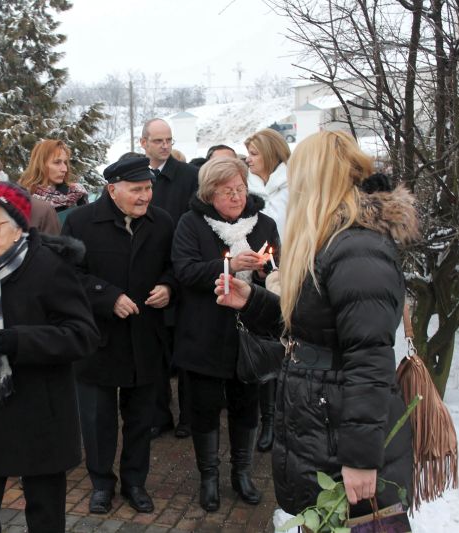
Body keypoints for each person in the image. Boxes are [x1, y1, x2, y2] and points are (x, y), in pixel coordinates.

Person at [215, 131, 416, 518]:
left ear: (316, 179)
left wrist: (360, 458)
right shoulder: (334, 240)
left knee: (356, 523)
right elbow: (315, 329)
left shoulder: (358, 249)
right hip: (324, 423)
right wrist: (253, 301)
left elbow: (369, 361)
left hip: (338, 431)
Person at [0, 182, 99, 533]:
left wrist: (22, 340)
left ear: (18, 228)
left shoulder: (48, 267)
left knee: (44, 516)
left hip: (37, 411)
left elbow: (83, 335)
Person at [62, 157, 176, 514]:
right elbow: (67, 275)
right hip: (98, 339)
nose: (145, 196)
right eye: (136, 189)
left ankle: (135, 482)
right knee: (98, 420)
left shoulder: (162, 222)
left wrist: (168, 287)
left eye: (148, 188)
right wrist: (107, 296)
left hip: (145, 337)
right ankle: (101, 484)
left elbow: (175, 266)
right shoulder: (80, 222)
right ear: (112, 189)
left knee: (141, 419)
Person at [172, 157, 279, 512]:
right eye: (226, 191)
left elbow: (277, 272)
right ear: (209, 193)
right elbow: (185, 271)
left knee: (246, 406)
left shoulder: (264, 224)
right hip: (204, 330)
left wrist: (264, 273)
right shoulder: (191, 223)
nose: (236, 197)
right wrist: (228, 266)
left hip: (250, 332)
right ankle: (208, 477)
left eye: (240, 189)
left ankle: (242, 473)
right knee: (204, 408)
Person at [140, 118, 199, 439]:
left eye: (169, 140)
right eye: (158, 141)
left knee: (185, 348)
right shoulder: (137, 175)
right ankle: (159, 414)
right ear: (144, 143)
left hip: (184, 271)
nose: (165, 146)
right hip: (150, 273)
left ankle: (189, 417)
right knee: (155, 349)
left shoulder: (189, 176)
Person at [244, 127, 291, 453]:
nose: (248, 159)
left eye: (254, 153)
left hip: (290, 274)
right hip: (256, 274)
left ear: (271, 154)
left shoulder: (295, 185)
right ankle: (268, 419)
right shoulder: (245, 187)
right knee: (264, 346)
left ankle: (286, 415)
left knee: (289, 344)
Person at [19, 139, 87, 221]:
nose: (64, 169)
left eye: (65, 163)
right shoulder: (21, 199)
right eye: (57, 162)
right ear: (40, 164)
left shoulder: (76, 195)